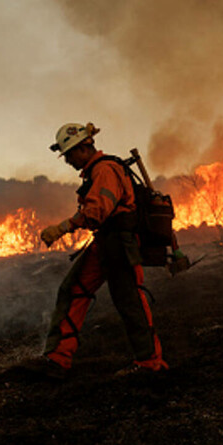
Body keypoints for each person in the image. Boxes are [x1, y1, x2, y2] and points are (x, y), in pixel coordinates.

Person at [33, 122, 167, 379]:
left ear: (84, 148)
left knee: (129, 301)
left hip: (120, 244)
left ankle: (150, 362)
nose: (68, 161)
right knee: (73, 289)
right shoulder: (96, 171)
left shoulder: (105, 170)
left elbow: (97, 211)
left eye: (69, 154)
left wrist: (63, 227)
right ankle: (57, 357)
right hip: (105, 241)